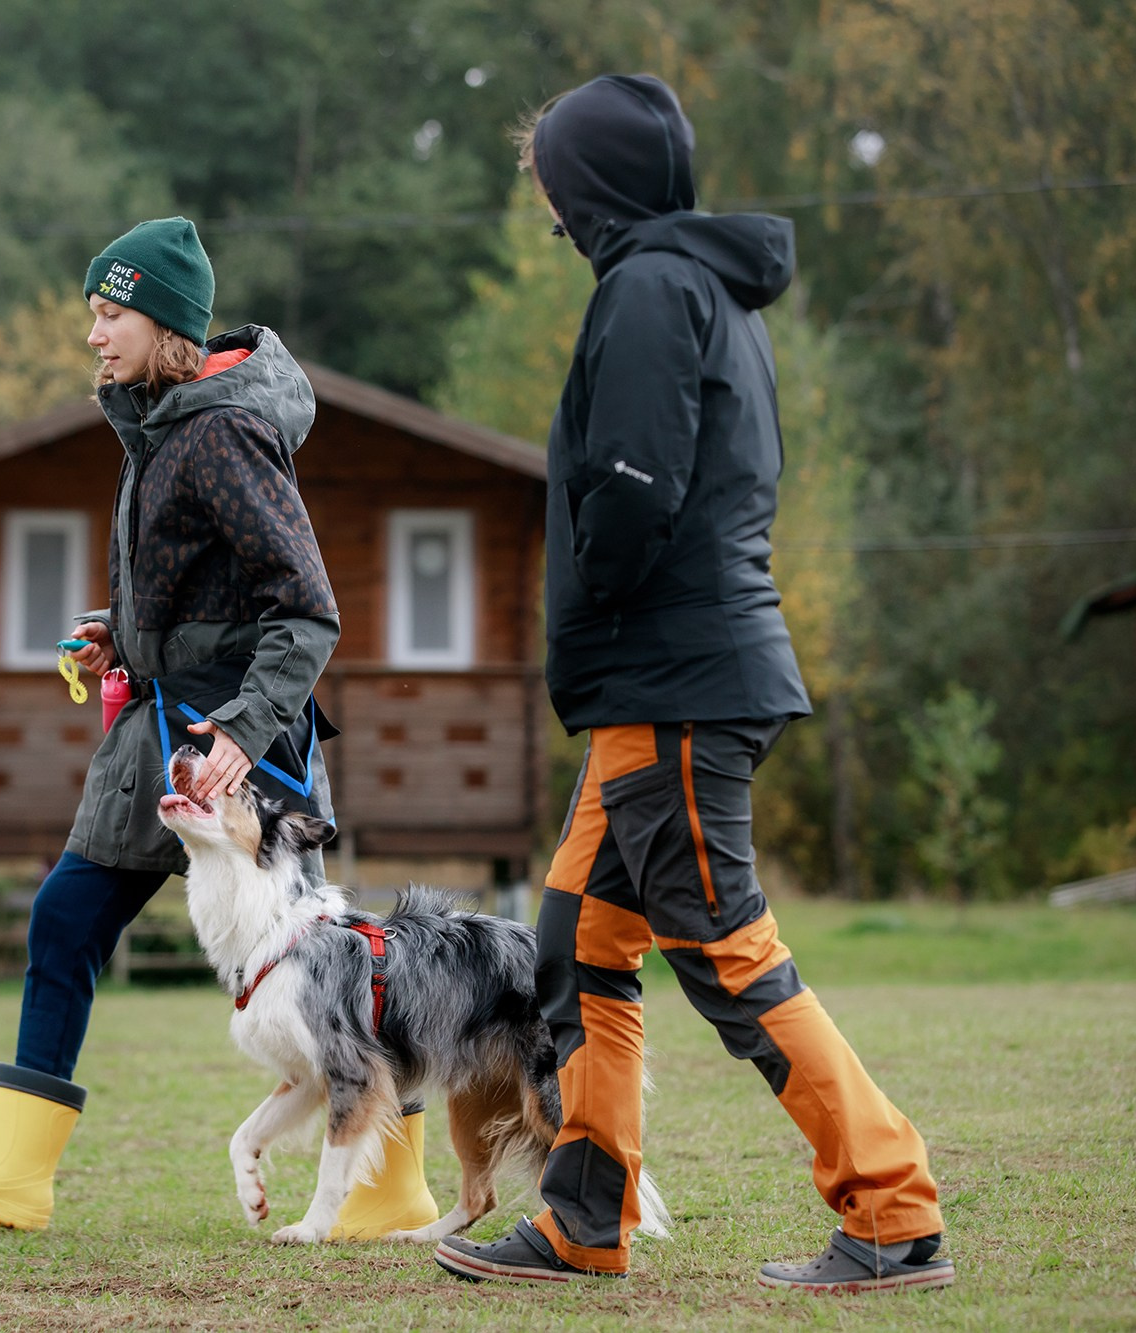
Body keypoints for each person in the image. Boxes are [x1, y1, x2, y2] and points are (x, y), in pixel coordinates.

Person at [432, 77, 953, 1293]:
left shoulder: (652, 291)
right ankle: (581, 1220)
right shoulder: (692, 289)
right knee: (573, 949)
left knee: (722, 952)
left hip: (671, 685)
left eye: (552, 189)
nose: (548, 217)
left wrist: (590, 603)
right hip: (647, 692)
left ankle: (892, 1206)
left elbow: (633, 485)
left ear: (588, 188)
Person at [0, 217, 439, 1239]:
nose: (92, 335)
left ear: (166, 324)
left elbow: (306, 609)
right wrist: (118, 632)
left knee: (326, 976)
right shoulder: (157, 423)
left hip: (235, 752)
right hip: (160, 726)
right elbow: (204, 587)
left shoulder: (219, 432)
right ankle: (15, 1168)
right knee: (67, 922)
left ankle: (390, 1193)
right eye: (90, 315)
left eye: (109, 314)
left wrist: (237, 728)